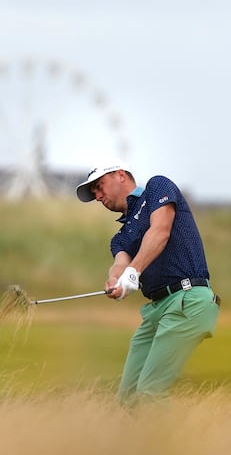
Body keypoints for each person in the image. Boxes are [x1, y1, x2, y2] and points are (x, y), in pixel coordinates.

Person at [75, 158, 220, 404]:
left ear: (120, 175)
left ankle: (189, 443)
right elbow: (119, 263)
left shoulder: (157, 187)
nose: (98, 196)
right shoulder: (120, 237)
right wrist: (115, 281)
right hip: (157, 311)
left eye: (99, 186)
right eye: (94, 193)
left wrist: (133, 271)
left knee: (150, 394)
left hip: (188, 299)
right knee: (129, 398)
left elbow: (160, 231)